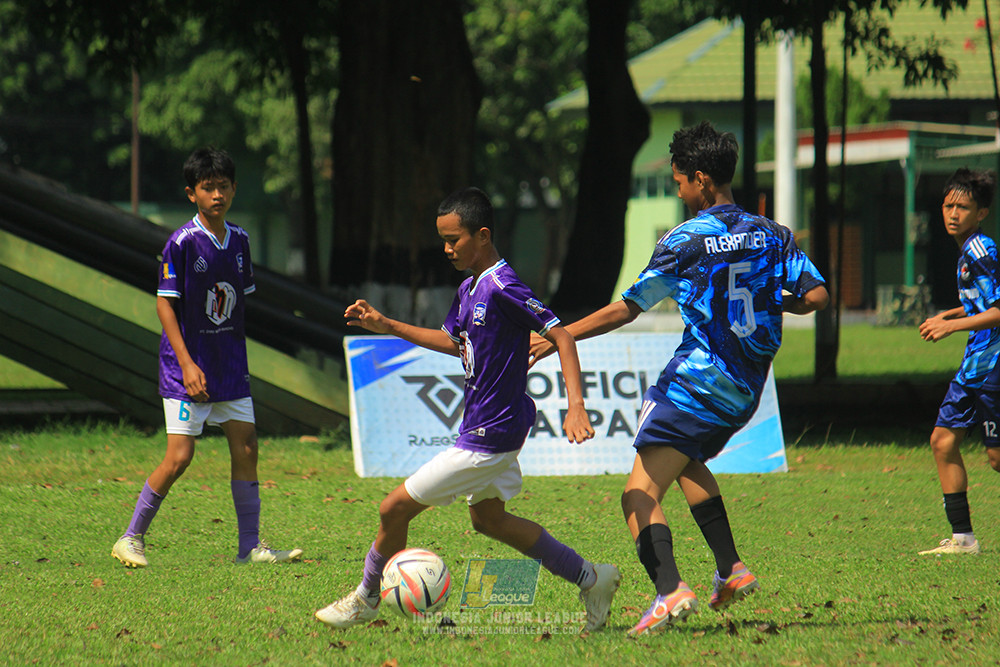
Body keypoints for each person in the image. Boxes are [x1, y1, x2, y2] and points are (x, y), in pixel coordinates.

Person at [530, 121, 829, 636]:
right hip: (745, 390)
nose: (677, 191)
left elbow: (629, 308)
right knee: (686, 462)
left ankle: (669, 591)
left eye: (679, 182)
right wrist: (769, 301)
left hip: (695, 384)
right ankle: (732, 569)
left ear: (701, 180)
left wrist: (563, 336)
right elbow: (817, 297)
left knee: (637, 495)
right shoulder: (775, 234)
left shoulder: (685, 240)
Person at [315, 186, 620, 632]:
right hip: (488, 425)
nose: (446, 249)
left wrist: (577, 406)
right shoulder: (469, 287)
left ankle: (366, 598)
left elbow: (563, 336)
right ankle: (591, 577)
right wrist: (388, 325)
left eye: (453, 239)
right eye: (443, 239)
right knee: (489, 520)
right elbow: (455, 344)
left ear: (482, 235)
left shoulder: (503, 286)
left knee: (392, 509)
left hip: (490, 435)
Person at [111, 147, 302, 568]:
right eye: (207, 187)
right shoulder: (181, 242)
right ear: (191, 193)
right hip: (186, 366)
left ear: (234, 189)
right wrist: (187, 363)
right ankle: (130, 538)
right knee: (180, 457)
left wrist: (233, 354)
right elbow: (165, 304)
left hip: (229, 365)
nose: (217, 194)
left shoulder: (241, 241)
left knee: (247, 446)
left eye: (223, 186)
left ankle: (249, 548)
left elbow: (237, 305)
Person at [917, 167, 999, 556]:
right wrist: (951, 316)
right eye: (947, 205)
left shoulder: (983, 251)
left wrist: (953, 327)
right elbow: (979, 304)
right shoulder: (967, 250)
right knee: (943, 440)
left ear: (981, 213)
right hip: (974, 366)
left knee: (997, 459)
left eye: (962, 207)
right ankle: (963, 539)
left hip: (994, 364)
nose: (952, 214)